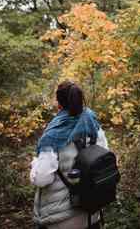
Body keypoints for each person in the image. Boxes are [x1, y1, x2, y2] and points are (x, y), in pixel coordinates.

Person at [30, 81, 108, 229]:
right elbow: (104, 156)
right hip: (91, 213)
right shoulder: (93, 123)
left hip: (60, 220)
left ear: (59, 104)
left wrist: (34, 165)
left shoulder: (53, 135)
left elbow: (42, 179)